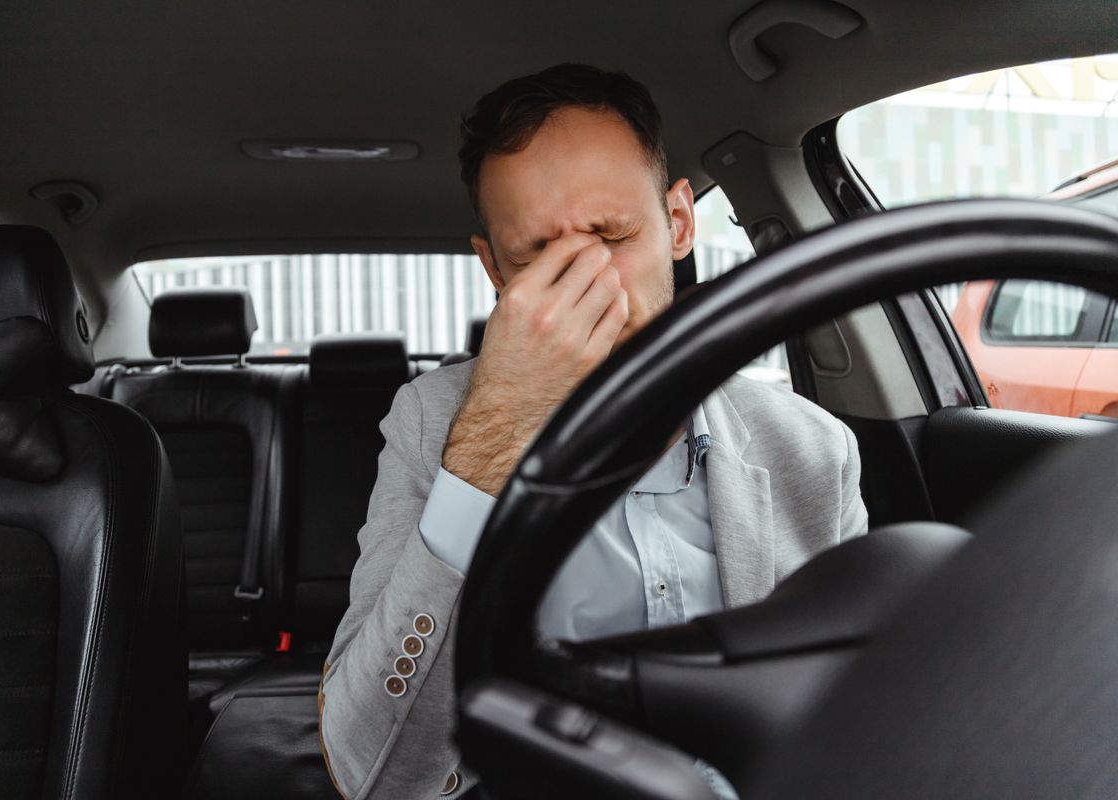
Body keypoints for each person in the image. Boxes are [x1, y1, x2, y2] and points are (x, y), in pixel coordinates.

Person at [318, 63, 869, 799]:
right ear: (494, 270)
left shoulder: (812, 447)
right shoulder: (431, 423)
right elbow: (371, 774)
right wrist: (492, 438)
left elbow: (856, 725)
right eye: (535, 254)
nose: (591, 285)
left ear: (679, 223)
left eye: (614, 234)